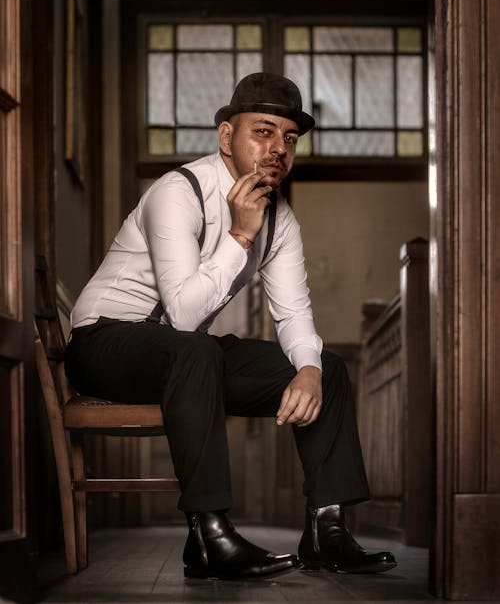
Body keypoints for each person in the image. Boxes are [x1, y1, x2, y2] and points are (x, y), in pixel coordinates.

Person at [65, 72, 396, 580]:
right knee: (194, 349)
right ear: (226, 136)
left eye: (289, 137)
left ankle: (326, 532)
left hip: (180, 359)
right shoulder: (177, 192)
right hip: (103, 342)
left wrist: (306, 369)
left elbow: (294, 314)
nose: (278, 148)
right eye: (263, 132)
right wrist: (240, 234)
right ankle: (209, 535)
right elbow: (184, 315)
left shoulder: (280, 218)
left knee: (325, 368)